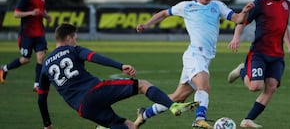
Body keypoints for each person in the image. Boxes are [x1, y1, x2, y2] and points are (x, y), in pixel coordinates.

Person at [135, 0, 254, 129]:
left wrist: (244, 12)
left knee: (178, 97)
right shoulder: (187, 6)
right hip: (194, 54)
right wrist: (146, 24)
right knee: (204, 86)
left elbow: (237, 18)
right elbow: (164, 13)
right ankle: (199, 118)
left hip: (206, 57)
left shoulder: (217, 6)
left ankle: (143, 114)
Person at [37, 23, 198, 129]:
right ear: (68, 38)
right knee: (142, 85)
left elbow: (41, 99)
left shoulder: (45, 66)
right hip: (95, 91)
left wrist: (47, 125)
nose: (76, 42)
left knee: (130, 126)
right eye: (75, 39)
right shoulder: (73, 50)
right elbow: (95, 57)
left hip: (83, 108)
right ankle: (173, 106)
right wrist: (120, 66)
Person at [227, 0, 290, 128]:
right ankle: (242, 70)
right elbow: (242, 21)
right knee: (255, 87)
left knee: (271, 87)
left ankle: (248, 120)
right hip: (259, 53)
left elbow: (284, 27)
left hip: (277, 55)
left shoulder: (287, 4)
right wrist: (236, 37)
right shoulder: (260, 3)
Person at [0, 0, 52, 92]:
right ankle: (4, 69)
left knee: (41, 57)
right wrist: (30, 13)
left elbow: (41, 10)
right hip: (26, 34)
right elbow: (16, 14)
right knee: (25, 59)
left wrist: (47, 16)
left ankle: (36, 85)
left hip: (39, 33)